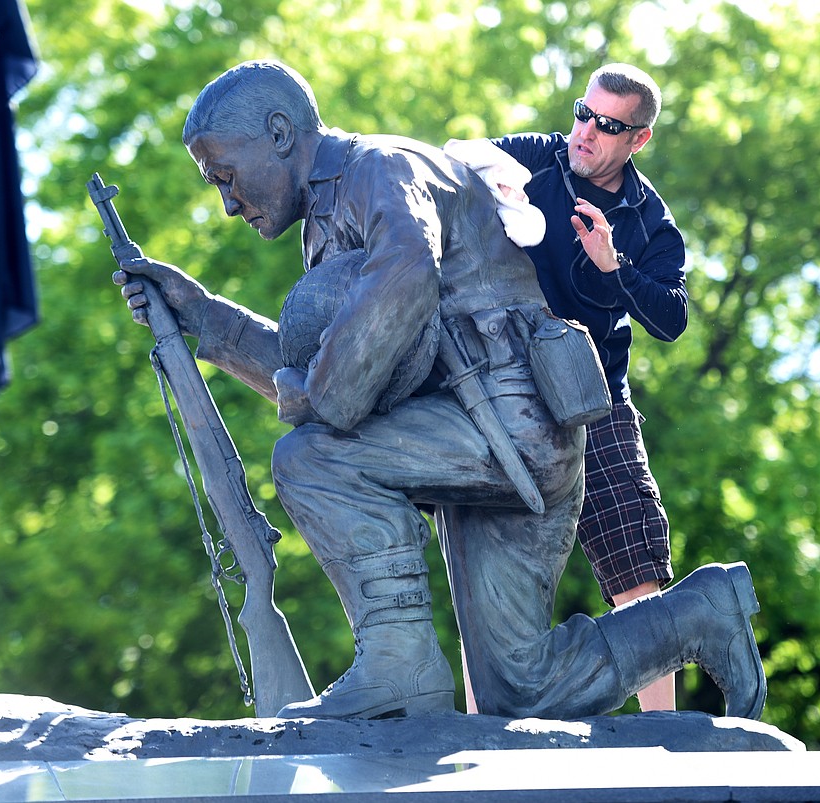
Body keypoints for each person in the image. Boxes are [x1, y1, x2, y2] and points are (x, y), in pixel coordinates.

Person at [113, 59, 765, 722]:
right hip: (482, 439)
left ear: (280, 133)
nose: (228, 201)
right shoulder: (326, 218)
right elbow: (333, 365)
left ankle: (400, 667)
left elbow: (406, 273)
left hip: (512, 425)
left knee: (311, 456)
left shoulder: (378, 170)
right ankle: (703, 612)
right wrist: (206, 317)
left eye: (225, 174)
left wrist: (326, 403)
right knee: (522, 686)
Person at [484, 63, 687, 712]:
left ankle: (666, 740)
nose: (586, 132)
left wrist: (614, 266)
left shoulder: (649, 219)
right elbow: (448, 162)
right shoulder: (536, 157)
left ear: (639, 138)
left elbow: (673, 316)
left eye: (608, 124)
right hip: (509, 392)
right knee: (484, 577)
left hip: (593, 396)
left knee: (639, 571)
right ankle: (478, 742)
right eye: (582, 112)